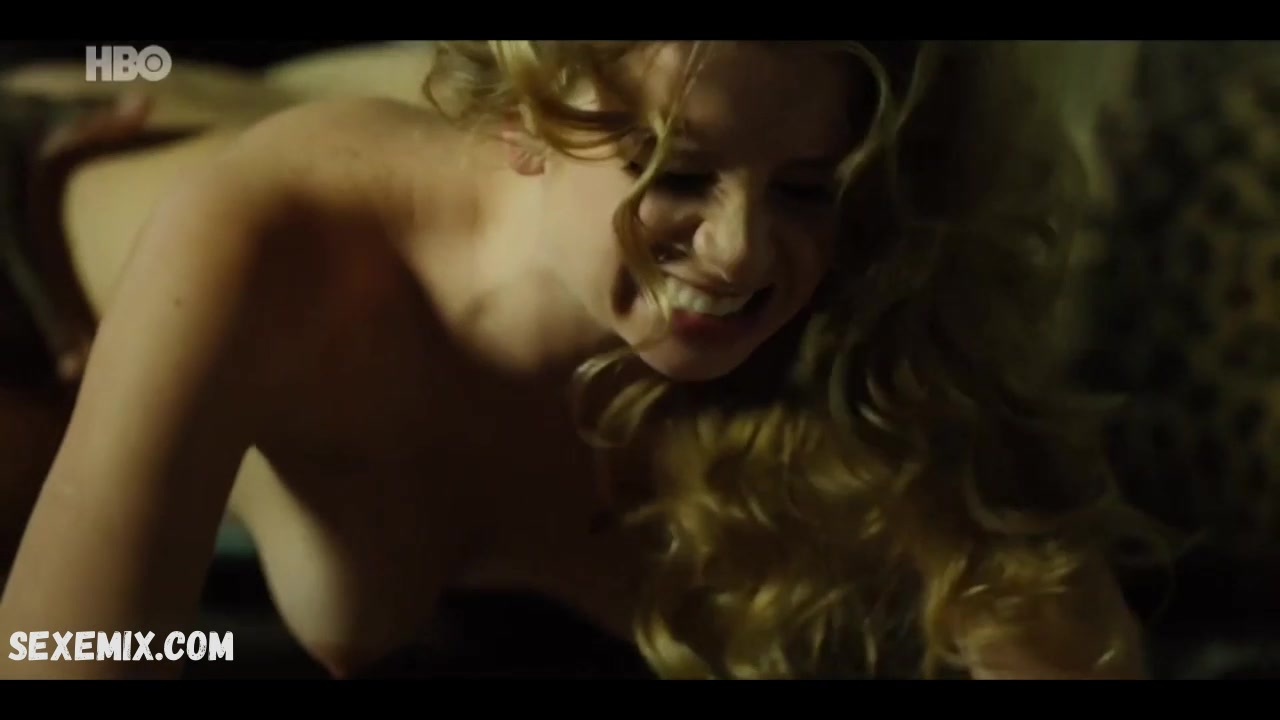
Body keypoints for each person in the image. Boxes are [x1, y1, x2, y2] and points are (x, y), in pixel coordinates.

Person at [0, 40, 1154, 680]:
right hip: (34, 227)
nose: (743, 250)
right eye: (677, 172)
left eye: (805, 188)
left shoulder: (851, 309)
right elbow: (65, 654)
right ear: (522, 126)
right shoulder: (275, 241)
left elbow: (1066, 643)